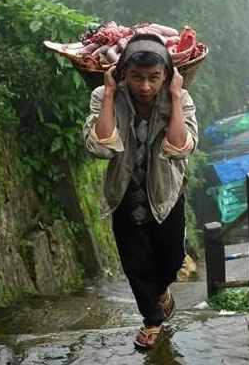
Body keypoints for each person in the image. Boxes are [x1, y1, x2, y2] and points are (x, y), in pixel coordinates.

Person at [82, 34, 198, 350]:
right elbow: (101, 148)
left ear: (167, 76)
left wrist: (174, 95)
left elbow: (179, 148)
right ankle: (152, 319)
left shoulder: (180, 99)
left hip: (166, 193)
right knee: (135, 263)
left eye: (154, 78)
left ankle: (162, 293)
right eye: (136, 77)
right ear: (123, 74)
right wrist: (108, 94)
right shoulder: (105, 96)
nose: (145, 86)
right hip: (124, 193)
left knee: (172, 258)